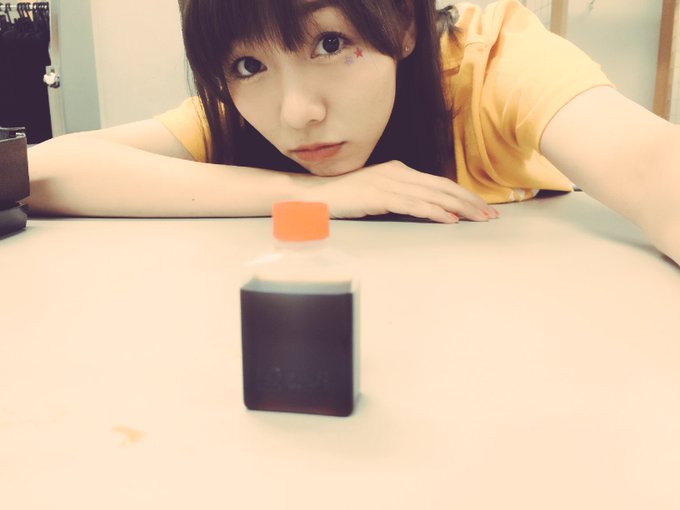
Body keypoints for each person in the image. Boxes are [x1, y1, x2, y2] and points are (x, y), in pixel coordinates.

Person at [25, 0, 679, 266]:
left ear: (403, 26)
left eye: (331, 43)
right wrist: (315, 195)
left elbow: (653, 167)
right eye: (248, 65)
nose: (296, 113)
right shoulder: (242, 113)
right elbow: (48, 170)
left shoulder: (492, 63)